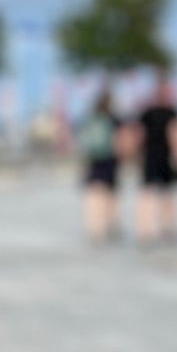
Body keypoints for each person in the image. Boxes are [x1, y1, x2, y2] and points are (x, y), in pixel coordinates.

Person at [134, 66, 177, 242]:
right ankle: (168, 228)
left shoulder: (146, 113)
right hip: (165, 158)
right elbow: (176, 136)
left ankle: (145, 229)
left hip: (149, 157)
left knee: (148, 194)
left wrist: (136, 156)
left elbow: (139, 136)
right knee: (168, 194)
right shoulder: (172, 113)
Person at [79, 79, 122, 240]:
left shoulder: (91, 119)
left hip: (93, 161)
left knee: (93, 196)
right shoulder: (113, 119)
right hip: (110, 161)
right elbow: (120, 142)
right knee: (110, 196)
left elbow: (84, 141)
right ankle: (109, 225)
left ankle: (94, 228)